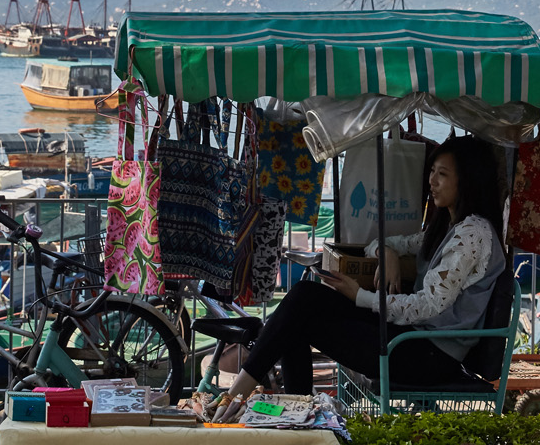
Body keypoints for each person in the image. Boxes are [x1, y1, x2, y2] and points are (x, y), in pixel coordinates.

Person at [211, 135, 506, 418]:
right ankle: (261, 401)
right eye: (432, 171)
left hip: (430, 355)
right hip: (411, 339)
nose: (431, 181)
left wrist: (360, 297)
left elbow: (429, 305)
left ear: (467, 181)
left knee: (298, 321)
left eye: (442, 174)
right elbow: (382, 242)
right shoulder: (447, 228)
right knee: (305, 296)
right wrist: (386, 254)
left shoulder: (473, 234)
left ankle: (242, 397)